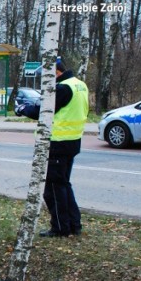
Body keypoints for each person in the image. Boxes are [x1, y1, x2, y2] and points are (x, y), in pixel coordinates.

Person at [15, 59, 89, 237]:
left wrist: (23, 108)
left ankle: (60, 228)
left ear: (56, 72)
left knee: (53, 189)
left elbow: (43, 111)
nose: (46, 82)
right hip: (72, 141)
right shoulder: (80, 85)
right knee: (64, 184)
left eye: (47, 77)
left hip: (57, 143)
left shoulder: (63, 88)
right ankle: (74, 224)